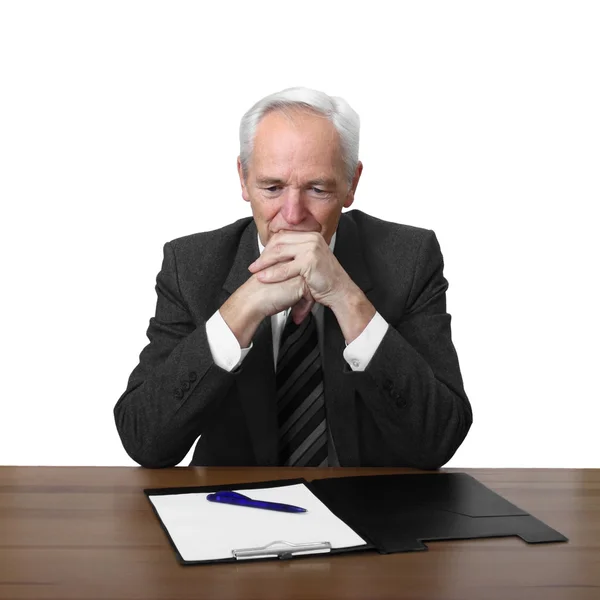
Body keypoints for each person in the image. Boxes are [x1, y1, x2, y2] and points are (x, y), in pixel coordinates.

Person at [114, 86, 472, 469]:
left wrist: (347, 299)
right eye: (272, 187)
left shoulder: (409, 258)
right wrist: (240, 311)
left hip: (370, 512)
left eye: (317, 189)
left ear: (351, 182)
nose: (292, 213)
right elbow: (144, 440)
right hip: (235, 512)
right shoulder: (191, 265)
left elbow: (439, 439)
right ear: (242, 178)